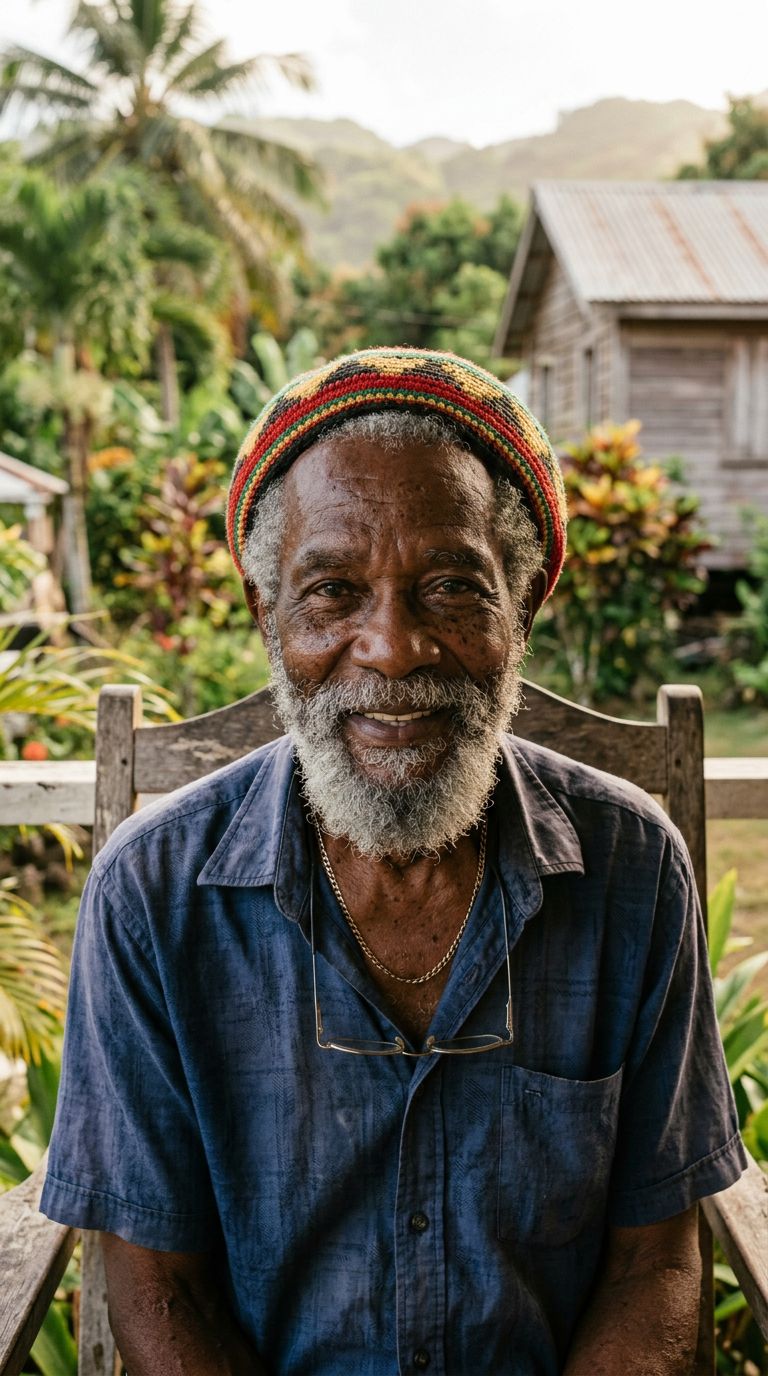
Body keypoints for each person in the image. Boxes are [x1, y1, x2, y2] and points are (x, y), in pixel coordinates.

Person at [41, 347, 746, 1376]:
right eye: (331, 590)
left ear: (527, 600)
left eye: (453, 586)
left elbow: (655, 1262)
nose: (393, 647)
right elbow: (161, 1286)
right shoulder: (152, 896)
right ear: (265, 611)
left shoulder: (634, 869)